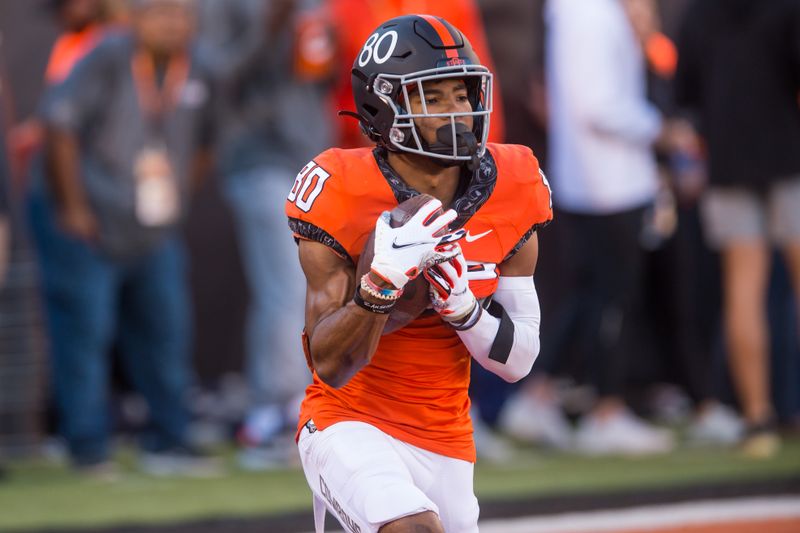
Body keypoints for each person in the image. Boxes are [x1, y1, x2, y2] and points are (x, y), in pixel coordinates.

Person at [285, 14, 552, 532]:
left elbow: (519, 361)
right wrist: (378, 289)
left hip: (448, 436)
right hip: (349, 420)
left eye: (462, 93)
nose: (457, 112)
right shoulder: (340, 186)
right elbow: (331, 364)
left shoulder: (514, 181)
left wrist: (465, 312)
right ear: (382, 105)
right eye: (433, 97)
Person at [28, 0, 216, 476]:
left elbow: (207, 144)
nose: (172, 24)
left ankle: (169, 440)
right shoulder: (107, 55)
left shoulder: (201, 68)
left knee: (166, 332)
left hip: (151, 224)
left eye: (181, 14)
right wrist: (72, 207)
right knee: (86, 333)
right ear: (135, 18)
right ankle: (87, 447)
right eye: (160, 13)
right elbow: (59, 125)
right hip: (88, 217)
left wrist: (177, 203)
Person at [528, 0, 697, 455]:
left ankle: (540, 395)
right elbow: (599, 106)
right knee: (613, 299)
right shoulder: (589, 14)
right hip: (608, 182)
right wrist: (660, 129)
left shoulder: (585, 13)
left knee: (593, 295)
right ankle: (606, 408)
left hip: (597, 178)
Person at [195, 0, 333, 468]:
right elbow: (218, 72)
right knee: (286, 287)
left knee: (313, 284)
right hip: (257, 156)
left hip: (311, 154)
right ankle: (274, 412)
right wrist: (272, 22)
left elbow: (317, 75)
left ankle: (296, 403)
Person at [674, 0, 800, 458]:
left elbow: (685, 93)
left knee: (742, 291)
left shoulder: (698, 14)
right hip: (788, 157)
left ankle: (758, 418)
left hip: (726, 161)